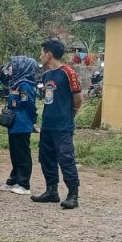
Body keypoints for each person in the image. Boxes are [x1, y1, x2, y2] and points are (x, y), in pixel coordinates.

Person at [31, 40, 82, 209]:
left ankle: (73, 194)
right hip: (48, 124)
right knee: (46, 158)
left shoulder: (68, 72)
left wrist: (71, 113)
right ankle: (51, 190)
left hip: (62, 125)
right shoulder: (46, 75)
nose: (40, 56)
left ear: (49, 54)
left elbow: (77, 97)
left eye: (42, 52)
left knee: (66, 158)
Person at [1, 55, 38, 195]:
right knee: (15, 153)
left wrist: (33, 121)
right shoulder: (15, 83)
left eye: (13, 65)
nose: (10, 68)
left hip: (22, 123)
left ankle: (24, 183)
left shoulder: (25, 85)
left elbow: (28, 104)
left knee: (22, 154)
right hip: (14, 123)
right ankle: (13, 180)